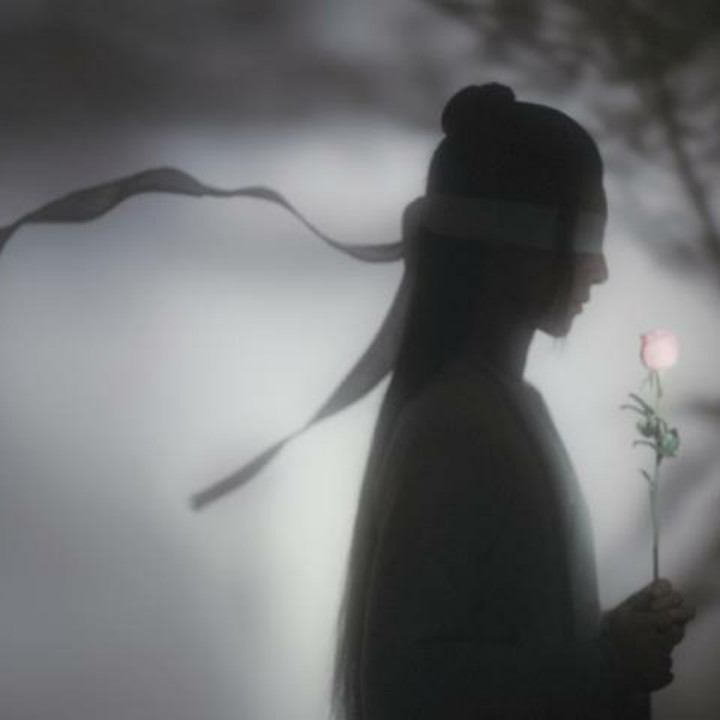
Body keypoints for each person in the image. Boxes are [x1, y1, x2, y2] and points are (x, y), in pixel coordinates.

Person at [329, 84, 695, 720]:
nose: (599, 269)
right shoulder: (455, 425)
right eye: (581, 233)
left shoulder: (501, 408)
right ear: (512, 247)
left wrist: (613, 637)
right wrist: (610, 662)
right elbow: (411, 689)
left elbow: (507, 635)